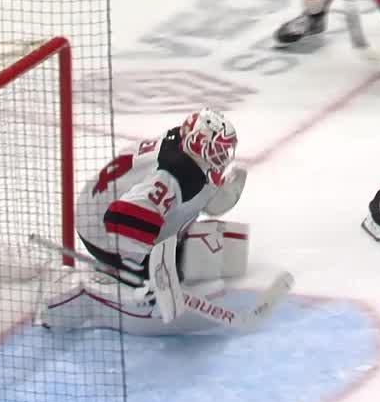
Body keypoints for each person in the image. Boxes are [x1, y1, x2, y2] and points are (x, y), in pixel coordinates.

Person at [41, 108, 254, 335]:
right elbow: (122, 219)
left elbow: (201, 198)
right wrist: (142, 273)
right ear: (197, 141)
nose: (223, 156)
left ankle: (139, 263)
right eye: (217, 149)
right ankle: (87, 296)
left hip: (111, 208)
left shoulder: (185, 151)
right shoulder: (173, 173)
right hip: (100, 229)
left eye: (225, 149)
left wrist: (225, 193)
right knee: (163, 278)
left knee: (223, 248)